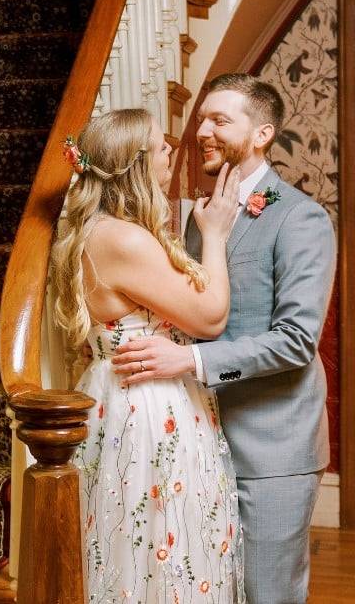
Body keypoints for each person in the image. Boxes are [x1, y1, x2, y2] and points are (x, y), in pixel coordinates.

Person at [113, 73, 336, 604]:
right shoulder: (198, 218)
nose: (202, 131)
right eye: (202, 118)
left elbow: (295, 341)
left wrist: (188, 359)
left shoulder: (302, 219)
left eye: (220, 120)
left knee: (266, 594)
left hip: (270, 445)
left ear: (261, 134)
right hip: (194, 440)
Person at [49, 107, 246, 603]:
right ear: (135, 165)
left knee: (130, 542)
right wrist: (217, 235)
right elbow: (209, 317)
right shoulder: (124, 239)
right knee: (158, 548)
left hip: (118, 393)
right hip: (146, 405)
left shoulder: (99, 230)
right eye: (161, 146)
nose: (171, 152)